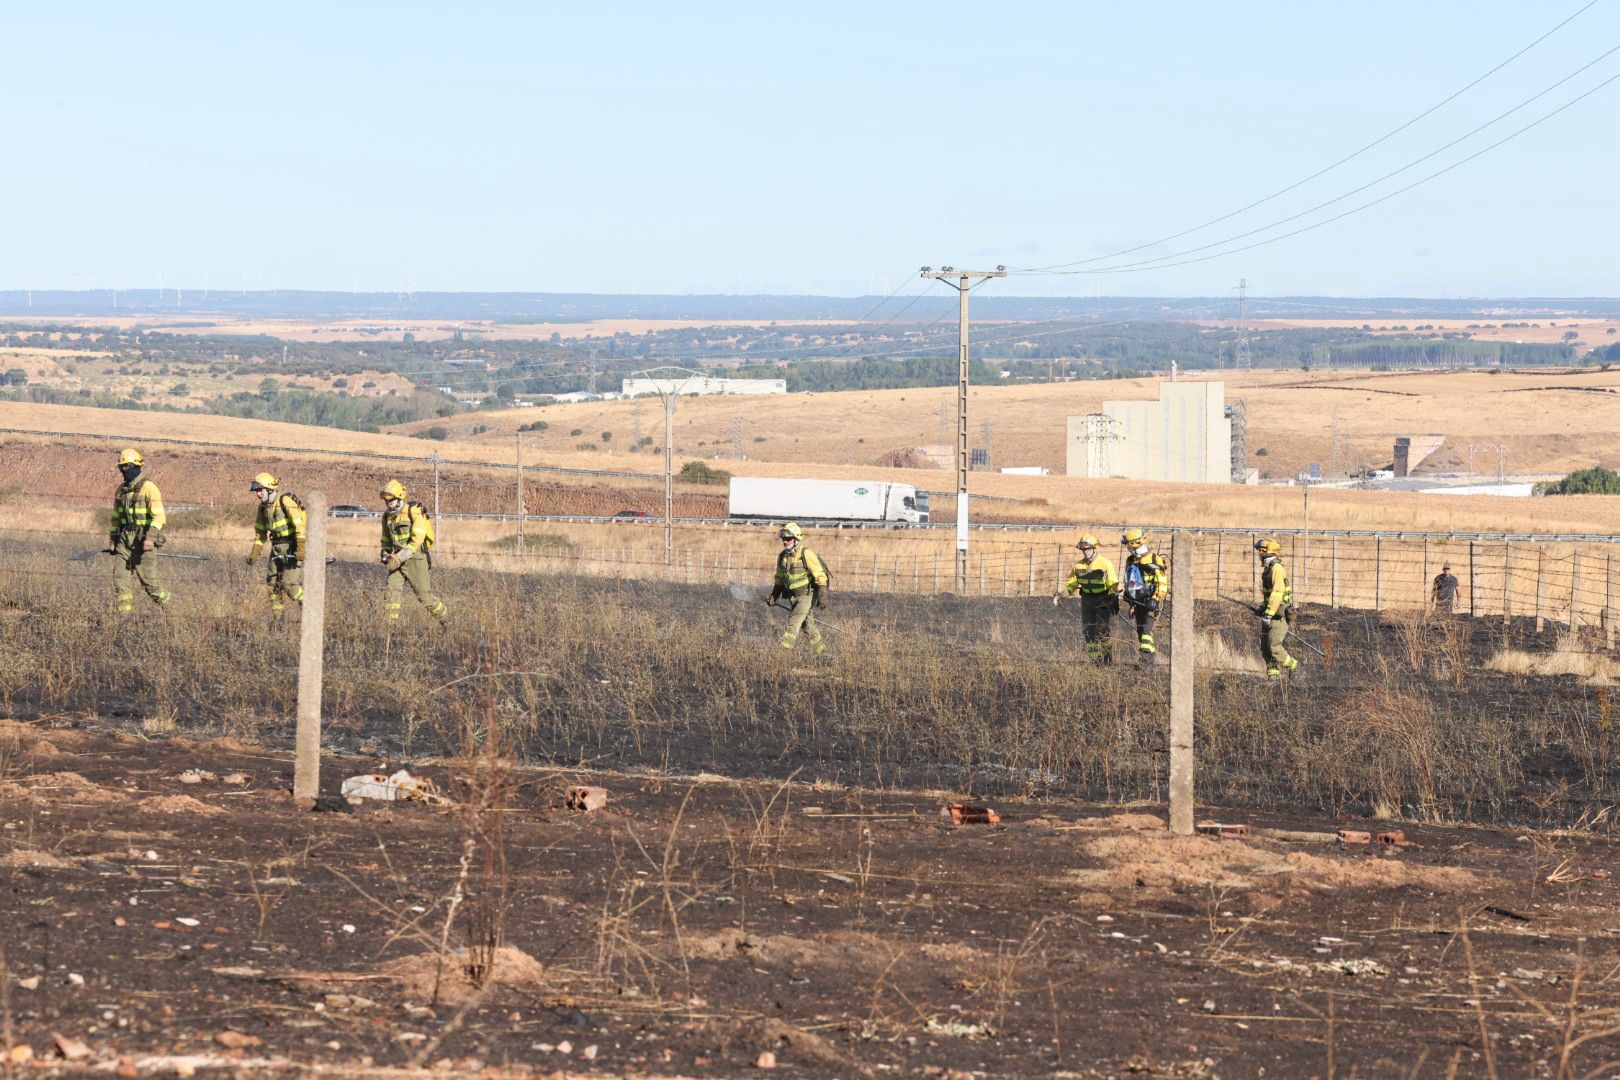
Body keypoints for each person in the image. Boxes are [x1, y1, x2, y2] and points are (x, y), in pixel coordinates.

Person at [107, 448, 172, 614]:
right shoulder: (121, 490)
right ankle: (125, 617)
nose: (124, 470)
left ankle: (172, 610)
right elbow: (116, 518)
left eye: (127, 466)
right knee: (120, 579)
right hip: (124, 540)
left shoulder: (149, 488)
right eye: (121, 467)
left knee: (149, 583)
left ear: (137, 466)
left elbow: (159, 517)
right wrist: (114, 540)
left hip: (143, 541)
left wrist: (150, 538)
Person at [379, 480, 447, 626]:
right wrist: (385, 554)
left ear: (399, 497)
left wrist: (400, 556)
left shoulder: (413, 511)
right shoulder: (387, 517)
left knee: (424, 597)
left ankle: (447, 620)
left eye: (390, 499)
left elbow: (417, 539)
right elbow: (385, 539)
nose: (387, 502)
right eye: (386, 499)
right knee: (391, 592)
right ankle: (389, 627)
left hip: (415, 558)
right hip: (396, 559)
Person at [246, 472, 307, 615]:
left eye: (260, 491)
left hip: (291, 547)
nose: (258, 495)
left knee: (289, 586)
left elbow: (300, 526)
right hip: (276, 549)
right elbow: (260, 534)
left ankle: (310, 612)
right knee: (273, 587)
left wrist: (301, 548)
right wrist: (254, 554)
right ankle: (278, 621)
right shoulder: (262, 508)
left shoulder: (284, 501)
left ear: (269, 489)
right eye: (257, 492)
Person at [1054, 534, 1118, 662]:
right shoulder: (1078, 566)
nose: (1085, 553)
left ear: (1094, 548)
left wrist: (1112, 597)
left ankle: (1107, 658)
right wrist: (1060, 595)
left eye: (1087, 549)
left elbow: (1113, 583)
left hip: (1103, 599)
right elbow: (1071, 585)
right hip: (1087, 600)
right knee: (1088, 631)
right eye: (1083, 550)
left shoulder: (1105, 563)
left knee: (1102, 630)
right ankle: (1095, 660)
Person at [769, 521, 828, 654]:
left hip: (807, 595)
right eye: (783, 539)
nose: (785, 542)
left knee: (794, 621)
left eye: (788, 539)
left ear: (797, 539)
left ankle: (782, 652)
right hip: (792, 596)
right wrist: (774, 595)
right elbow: (779, 577)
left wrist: (823, 595)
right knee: (807, 625)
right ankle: (822, 652)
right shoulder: (782, 557)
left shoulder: (806, 554)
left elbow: (820, 575)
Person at [1119, 528, 1168, 663]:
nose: (1128, 549)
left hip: (1152, 601)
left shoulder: (1154, 559)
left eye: (1129, 545)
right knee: (1141, 631)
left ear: (1136, 543)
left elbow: (1162, 582)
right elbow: (1130, 582)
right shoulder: (1130, 561)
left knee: (1146, 630)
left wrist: (1155, 599)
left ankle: (1145, 660)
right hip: (1138, 602)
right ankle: (1150, 661)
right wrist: (1131, 604)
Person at [1254, 537, 1299, 680]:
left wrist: (1268, 614)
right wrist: (1262, 608)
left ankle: (1294, 667)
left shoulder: (1276, 569)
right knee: (1265, 648)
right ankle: (1273, 679)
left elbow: (1277, 594)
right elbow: (1269, 597)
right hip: (1271, 613)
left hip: (1278, 616)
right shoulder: (1268, 569)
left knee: (1274, 646)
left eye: (1260, 552)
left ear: (1266, 552)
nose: (1259, 555)